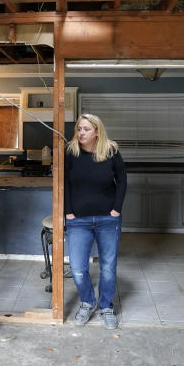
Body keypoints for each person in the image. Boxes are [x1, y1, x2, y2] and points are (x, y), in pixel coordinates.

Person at [64, 113, 127, 329]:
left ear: (97, 131)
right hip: (77, 220)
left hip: (107, 219)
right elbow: (64, 184)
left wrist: (116, 210)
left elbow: (123, 181)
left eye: (86, 129)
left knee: (108, 266)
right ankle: (88, 302)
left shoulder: (110, 151)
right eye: (79, 129)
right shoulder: (70, 152)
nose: (81, 133)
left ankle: (106, 306)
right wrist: (68, 212)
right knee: (78, 267)